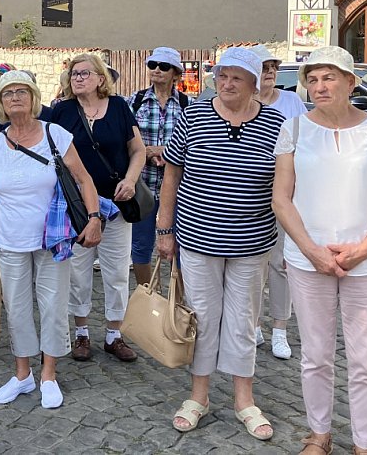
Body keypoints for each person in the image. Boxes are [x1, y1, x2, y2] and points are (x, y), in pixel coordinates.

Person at [272, 46, 367, 455]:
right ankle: (319, 434)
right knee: (315, 355)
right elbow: (282, 198)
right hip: (308, 260)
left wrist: (363, 250)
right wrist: (312, 251)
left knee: (366, 361)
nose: (320, 86)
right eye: (312, 79)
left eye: (329, 77)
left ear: (350, 82)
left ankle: (365, 444)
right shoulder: (294, 129)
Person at [157, 47, 284, 441]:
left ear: (254, 84)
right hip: (198, 237)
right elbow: (172, 175)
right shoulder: (194, 116)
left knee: (244, 320)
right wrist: (164, 229)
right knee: (203, 318)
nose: (226, 84)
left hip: (252, 240)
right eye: (222, 76)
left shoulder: (276, 123)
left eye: (236, 78)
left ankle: (244, 400)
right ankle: (199, 396)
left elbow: (287, 182)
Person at [0, 70, 102, 409]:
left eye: (22, 91)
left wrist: (94, 218)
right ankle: (23, 374)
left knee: (52, 307)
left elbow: (84, 180)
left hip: (53, 240)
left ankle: (49, 374)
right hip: (9, 241)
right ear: (0, 103)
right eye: (8, 93)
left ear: (34, 98)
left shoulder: (55, 134)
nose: (15, 97)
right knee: (17, 309)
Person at [50, 53, 145, 363]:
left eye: (84, 73)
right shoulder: (61, 111)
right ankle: (81, 333)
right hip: (78, 208)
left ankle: (114, 335)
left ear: (101, 78)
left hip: (117, 204)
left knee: (117, 272)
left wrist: (131, 180)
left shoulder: (118, 107)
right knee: (78, 272)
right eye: (74, 74)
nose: (78, 78)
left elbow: (138, 150)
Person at [250, 44, 307, 360]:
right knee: (252, 265)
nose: (270, 72)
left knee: (280, 264)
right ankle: (255, 324)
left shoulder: (291, 101)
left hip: (286, 194)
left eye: (273, 67)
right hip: (252, 197)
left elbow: (304, 143)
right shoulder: (242, 103)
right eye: (264, 67)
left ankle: (280, 329)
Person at [127, 47, 191, 287]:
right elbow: (124, 140)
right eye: (152, 65)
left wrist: (163, 151)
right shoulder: (135, 101)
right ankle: (149, 294)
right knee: (140, 245)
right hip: (143, 184)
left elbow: (193, 144)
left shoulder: (188, 104)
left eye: (164, 66)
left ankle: (179, 298)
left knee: (181, 246)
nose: (156, 70)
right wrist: (147, 152)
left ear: (176, 74)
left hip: (178, 188)